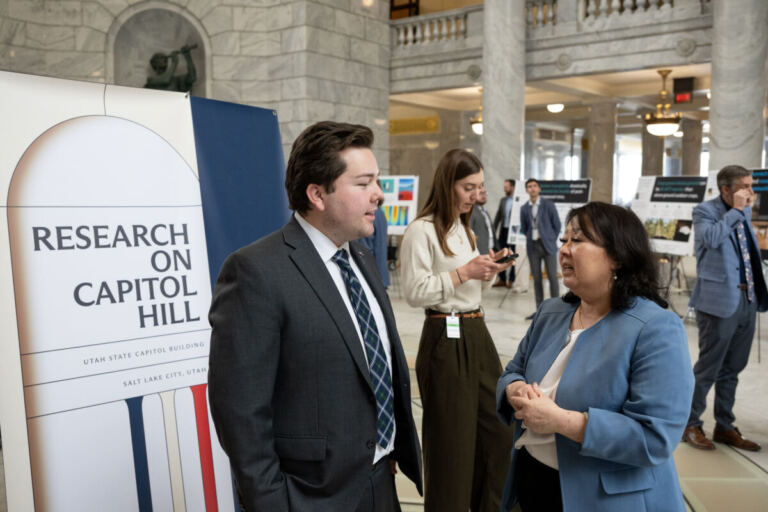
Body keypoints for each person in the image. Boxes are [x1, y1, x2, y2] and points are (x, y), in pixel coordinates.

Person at [208, 121, 422, 511]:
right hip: (311, 496)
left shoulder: (360, 256)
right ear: (317, 194)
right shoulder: (255, 271)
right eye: (364, 183)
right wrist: (273, 503)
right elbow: (240, 411)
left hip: (380, 482)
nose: (378, 194)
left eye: (377, 181)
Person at [497, 202, 694, 512]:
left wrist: (562, 422)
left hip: (607, 499)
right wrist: (515, 389)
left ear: (617, 257)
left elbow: (655, 436)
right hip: (533, 481)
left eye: (577, 240)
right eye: (563, 239)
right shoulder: (551, 313)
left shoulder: (655, 328)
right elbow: (513, 371)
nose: (564, 249)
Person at [400, 149, 515, 512]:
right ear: (447, 184)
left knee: (499, 431)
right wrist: (464, 272)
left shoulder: (465, 229)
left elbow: (468, 283)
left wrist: (487, 268)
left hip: (476, 331)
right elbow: (414, 291)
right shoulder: (422, 230)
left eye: (479, 187)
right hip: (444, 335)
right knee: (452, 444)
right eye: (468, 187)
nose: (476, 196)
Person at [683, 165, 766, 451]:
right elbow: (710, 240)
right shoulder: (705, 211)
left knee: (733, 368)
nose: (751, 192)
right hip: (717, 302)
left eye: (751, 185)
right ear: (726, 189)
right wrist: (737, 212)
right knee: (709, 368)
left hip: (746, 299)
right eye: (745, 186)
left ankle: (725, 426)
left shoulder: (744, 211)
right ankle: (690, 423)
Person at [520, 178, 560, 318]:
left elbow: (557, 225)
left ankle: (556, 310)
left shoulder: (548, 205)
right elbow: (524, 228)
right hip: (533, 246)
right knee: (536, 279)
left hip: (548, 245)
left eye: (535, 186)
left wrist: (550, 239)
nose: (532, 188)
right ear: (526, 190)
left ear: (539, 189)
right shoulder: (524, 208)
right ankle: (540, 311)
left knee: (552, 277)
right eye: (529, 186)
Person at [493, 179, 516, 287]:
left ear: (513, 187)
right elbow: (498, 215)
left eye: (507, 187)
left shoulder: (518, 200)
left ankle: (511, 279)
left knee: (513, 254)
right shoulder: (503, 200)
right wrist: (493, 229)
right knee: (501, 254)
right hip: (503, 230)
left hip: (514, 231)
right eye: (504, 187)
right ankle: (502, 279)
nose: (505, 189)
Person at [360, 204, 390, 287]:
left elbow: (364, 248)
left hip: (370, 275)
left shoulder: (366, 215)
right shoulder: (379, 213)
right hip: (380, 274)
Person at [470, 184, 496, 254]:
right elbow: (469, 234)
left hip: (490, 250)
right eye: (481, 193)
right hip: (479, 252)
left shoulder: (485, 211)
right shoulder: (471, 212)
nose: (484, 196)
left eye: (485, 193)